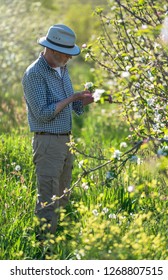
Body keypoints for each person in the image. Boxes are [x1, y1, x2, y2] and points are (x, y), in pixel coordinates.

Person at [22, 24, 94, 238]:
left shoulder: (62, 69)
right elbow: (43, 114)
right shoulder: (34, 74)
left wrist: (89, 99)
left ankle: (59, 241)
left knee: (63, 195)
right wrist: (72, 98)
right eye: (66, 53)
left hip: (65, 141)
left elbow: (72, 107)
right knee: (48, 198)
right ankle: (43, 247)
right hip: (47, 143)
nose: (70, 58)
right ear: (52, 50)